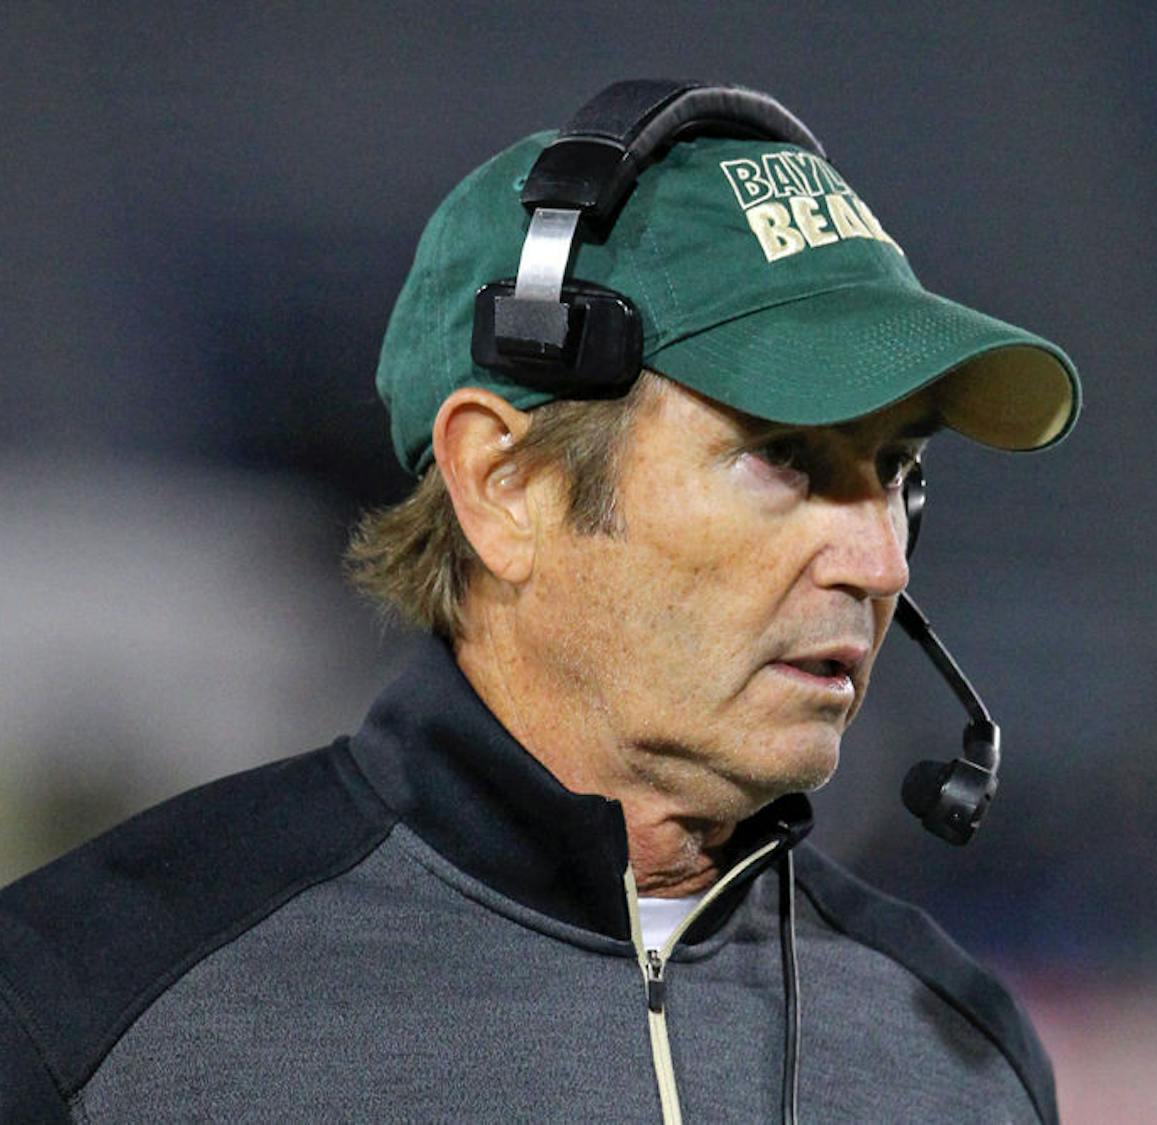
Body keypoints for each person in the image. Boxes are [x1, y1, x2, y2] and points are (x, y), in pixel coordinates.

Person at [0, 81, 1078, 1123]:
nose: (880, 560)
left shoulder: (956, 1058)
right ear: (505, 488)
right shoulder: (86, 1013)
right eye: (783, 459)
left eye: (896, 471)